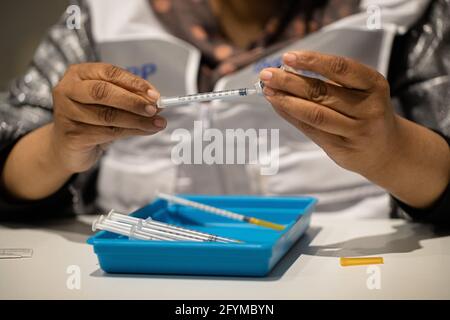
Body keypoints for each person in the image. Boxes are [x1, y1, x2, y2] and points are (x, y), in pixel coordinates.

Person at [0, 0, 449, 222]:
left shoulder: (402, 14)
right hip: (136, 272)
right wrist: (60, 145)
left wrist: (391, 150)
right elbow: (10, 166)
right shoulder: (104, 13)